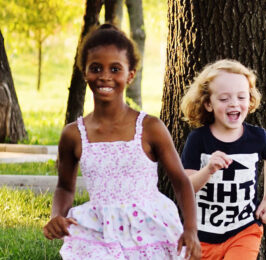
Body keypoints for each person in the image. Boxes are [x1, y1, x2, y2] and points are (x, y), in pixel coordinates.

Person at [42, 23, 201, 259]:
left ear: (130, 75)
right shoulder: (73, 134)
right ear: (84, 72)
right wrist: (57, 215)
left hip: (149, 228)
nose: (105, 76)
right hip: (99, 230)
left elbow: (180, 181)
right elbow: (65, 186)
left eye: (115, 69)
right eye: (96, 68)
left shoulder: (150, 128)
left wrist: (191, 229)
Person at [179, 59, 266, 259]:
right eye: (224, 98)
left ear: (250, 100)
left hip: (243, 230)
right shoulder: (198, 139)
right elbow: (186, 186)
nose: (234, 103)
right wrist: (208, 169)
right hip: (202, 235)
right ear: (208, 104)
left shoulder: (257, 137)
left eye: (241, 97)